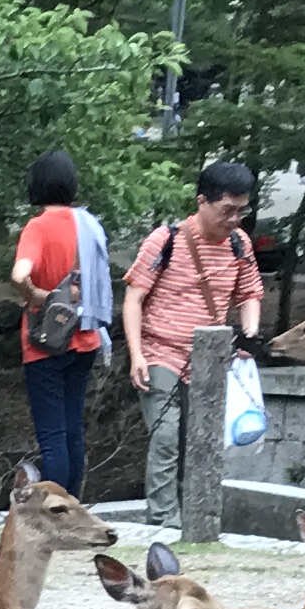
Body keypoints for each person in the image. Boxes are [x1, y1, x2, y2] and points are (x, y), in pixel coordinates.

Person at [120, 159, 263, 536]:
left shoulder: (239, 244)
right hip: (161, 351)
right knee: (165, 437)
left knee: (202, 441)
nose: (234, 218)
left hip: (210, 358)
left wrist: (249, 334)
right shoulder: (165, 240)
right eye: (227, 210)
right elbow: (134, 298)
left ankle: (198, 521)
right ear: (203, 201)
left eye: (241, 210)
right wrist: (136, 355)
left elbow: (250, 293)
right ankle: (164, 523)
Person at [9, 150, 107, 495]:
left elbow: (19, 273)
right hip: (86, 337)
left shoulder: (38, 227)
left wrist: (37, 294)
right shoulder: (90, 225)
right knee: (72, 430)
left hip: (46, 342)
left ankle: (55, 509)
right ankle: (73, 504)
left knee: (52, 437)